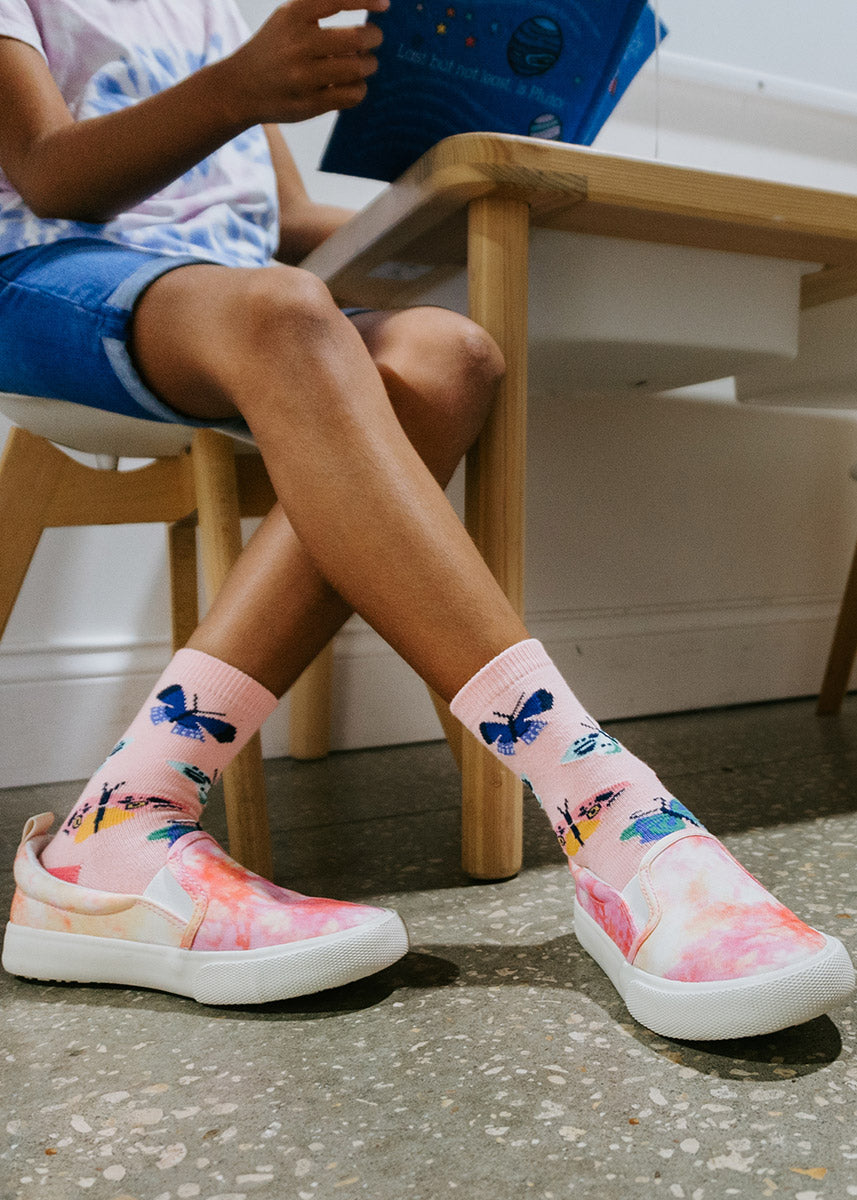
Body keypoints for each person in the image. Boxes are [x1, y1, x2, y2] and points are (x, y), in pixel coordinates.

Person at [0, 0, 853, 1040]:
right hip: (42, 277)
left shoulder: (220, 8)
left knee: (448, 354)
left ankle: (117, 826)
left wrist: (477, 176)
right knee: (285, 312)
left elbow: (284, 231)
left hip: (233, 294)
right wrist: (239, 87)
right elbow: (43, 169)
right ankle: (611, 814)